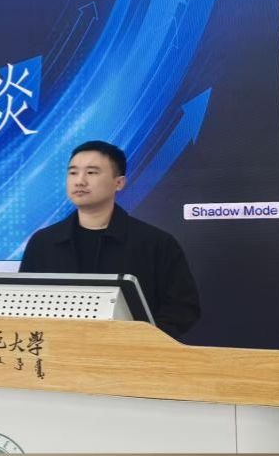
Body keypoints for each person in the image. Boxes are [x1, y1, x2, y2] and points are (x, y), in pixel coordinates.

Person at [19, 140, 200, 338]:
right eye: (73, 172)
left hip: (132, 353)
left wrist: (141, 340)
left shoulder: (155, 243)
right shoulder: (43, 243)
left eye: (91, 172)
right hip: (58, 352)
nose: (80, 181)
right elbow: (23, 305)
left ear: (119, 183)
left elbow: (183, 308)